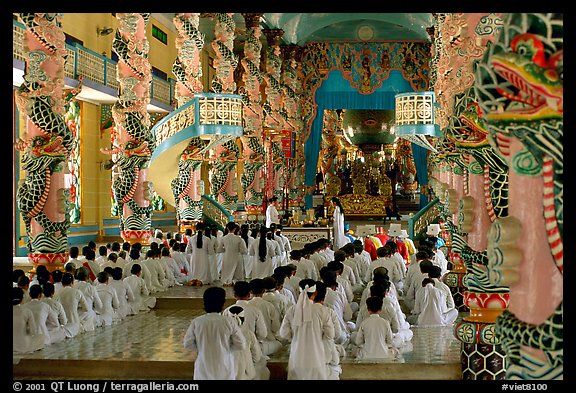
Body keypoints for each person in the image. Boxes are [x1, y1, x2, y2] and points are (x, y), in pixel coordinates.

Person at [183, 286, 246, 380]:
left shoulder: (197, 322)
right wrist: (227, 348)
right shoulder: (229, 322)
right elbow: (241, 345)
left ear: (204, 302)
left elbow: (188, 344)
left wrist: (202, 348)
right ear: (223, 303)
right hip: (225, 367)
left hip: (203, 367)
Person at [278, 279, 336, 380]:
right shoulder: (322, 310)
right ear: (316, 293)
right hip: (316, 357)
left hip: (297, 358)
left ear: (299, 292)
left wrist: (296, 336)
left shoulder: (292, 310)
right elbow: (330, 334)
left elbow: (284, 334)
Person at [353, 296, 397, 360]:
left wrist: (365, 345)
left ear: (368, 309)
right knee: (395, 351)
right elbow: (390, 341)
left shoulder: (364, 323)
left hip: (366, 355)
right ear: (380, 309)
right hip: (384, 355)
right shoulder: (385, 323)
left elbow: (358, 342)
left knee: (354, 349)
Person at [13, 287, 45, 354]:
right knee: (42, 337)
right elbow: (33, 331)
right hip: (23, 347)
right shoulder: (26, 311)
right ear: (22, 298)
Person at [218, 221, 248, 286]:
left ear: (227, 228)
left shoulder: (223, 238)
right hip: (237, 257)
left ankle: (227, 281)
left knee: (227, 271)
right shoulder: (239, 239)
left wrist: (226, 250)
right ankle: (234, 282)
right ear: (235, 229)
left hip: (227, 257)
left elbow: (219, 249)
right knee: (237, 272)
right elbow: (244, 251)